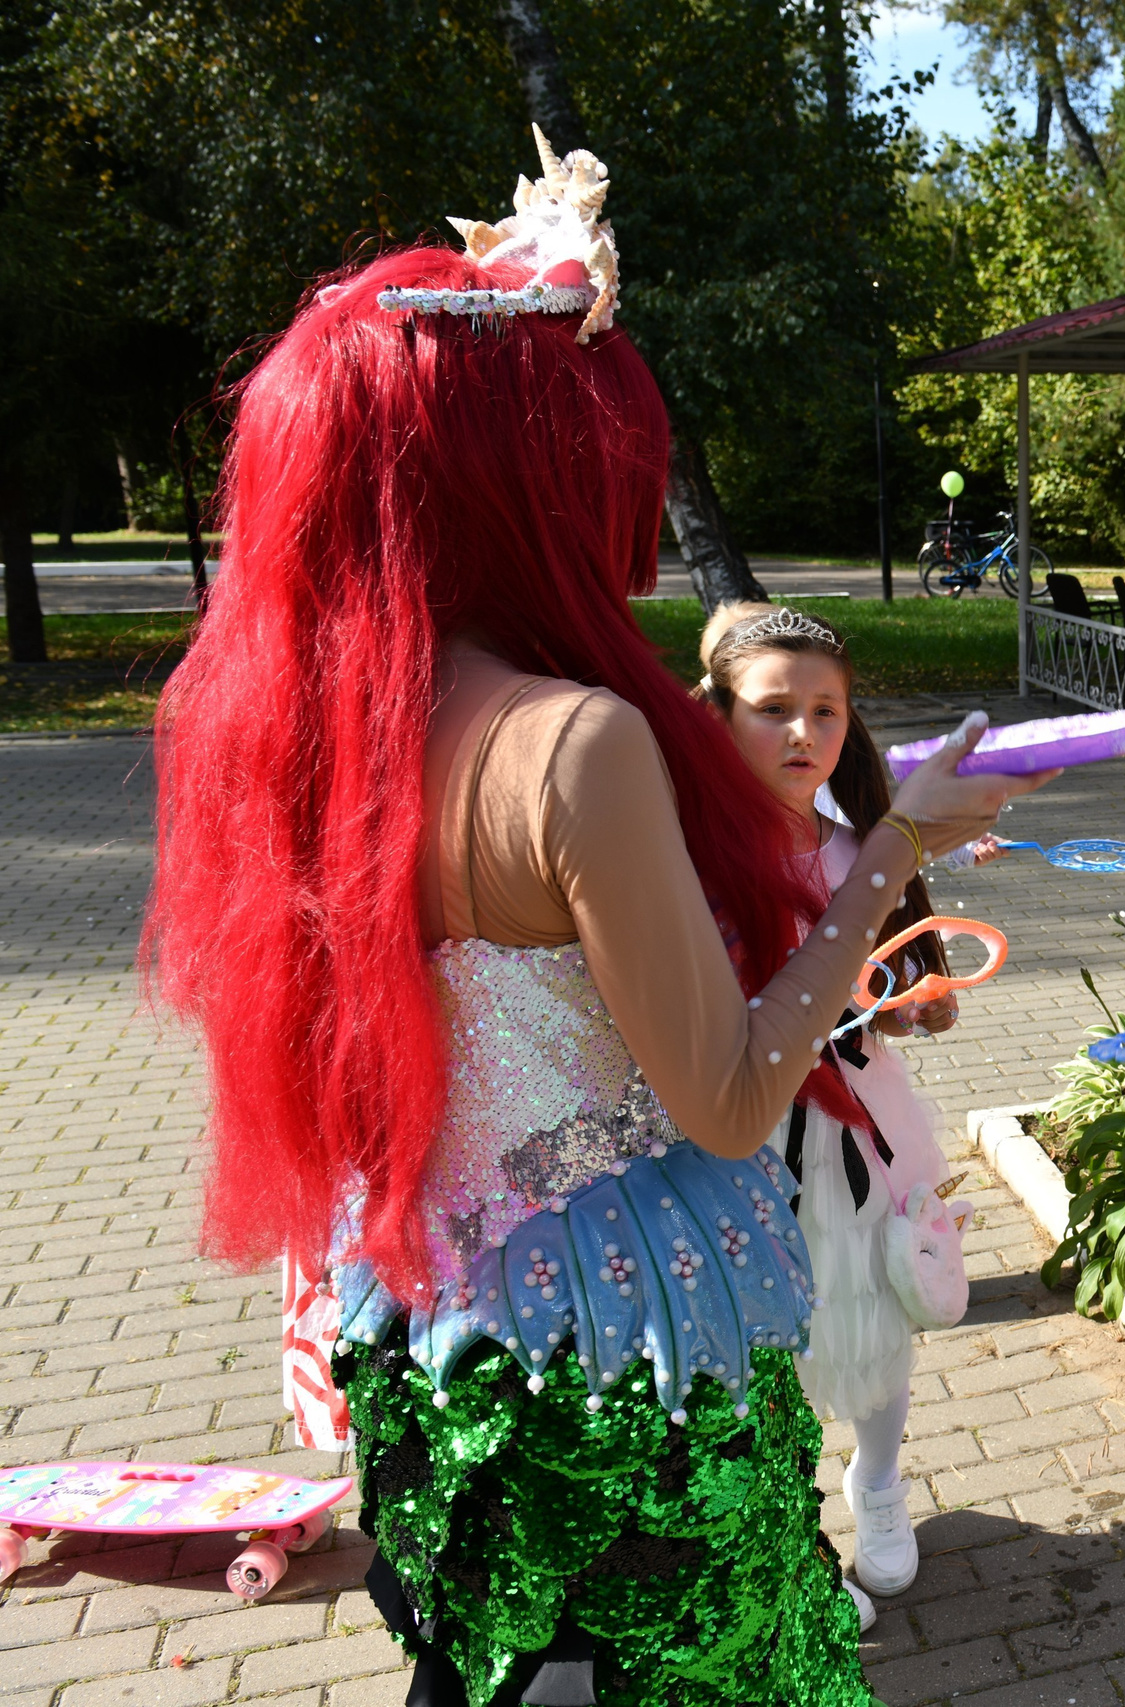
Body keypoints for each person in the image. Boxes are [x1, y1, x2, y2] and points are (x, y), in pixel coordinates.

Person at [145, 134, 1051, 1707]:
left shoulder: (310, 724)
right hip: (621, 1355)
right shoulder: (573, 741)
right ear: (521, 473)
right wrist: (897, 840)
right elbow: (728, 1091)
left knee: (484, 1668)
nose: (627, 507)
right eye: (605, 459)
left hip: (436, 1334)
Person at [695, 600, 960, 1607]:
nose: (803, 733)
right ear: (716, 718)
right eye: (773, 710)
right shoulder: (689, 862)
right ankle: (790, 1526)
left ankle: (880, 1484)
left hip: (863, 1129)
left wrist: (913, 1006)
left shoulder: (863, 853)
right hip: (746, 1136)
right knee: (772, 1336)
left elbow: (903, 998)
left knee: (878, 1305)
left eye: (826, 712)